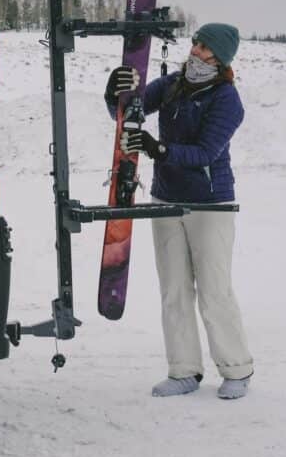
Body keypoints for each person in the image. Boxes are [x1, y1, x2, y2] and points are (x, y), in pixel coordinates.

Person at [104, 23, 253, 400]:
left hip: (210, 204)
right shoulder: (173, 84)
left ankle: (236, 368)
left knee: (214, 290)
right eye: (195, 43)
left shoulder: (227, 100)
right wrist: (114, 93)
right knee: (173, 289)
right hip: (166, 200)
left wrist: (159, 150)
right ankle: (184, 370)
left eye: (204, 47)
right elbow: (131, 110)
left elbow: (205, 153)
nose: (195, 50)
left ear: (220, 57)